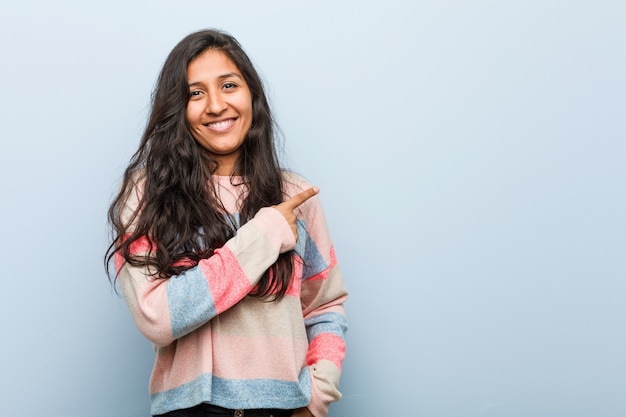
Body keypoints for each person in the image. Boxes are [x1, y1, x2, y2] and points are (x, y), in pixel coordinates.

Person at [104, 29, 348, 417]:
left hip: (284, 408)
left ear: (252, 94)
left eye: (229, 85)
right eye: (195, 93)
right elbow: (158, 318)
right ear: (177, 108)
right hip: (190, 409)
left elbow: (325, 307)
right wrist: (263, 236)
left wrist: (317, 396)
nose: (216, 105)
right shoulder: (147, 195)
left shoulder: (296, 197)